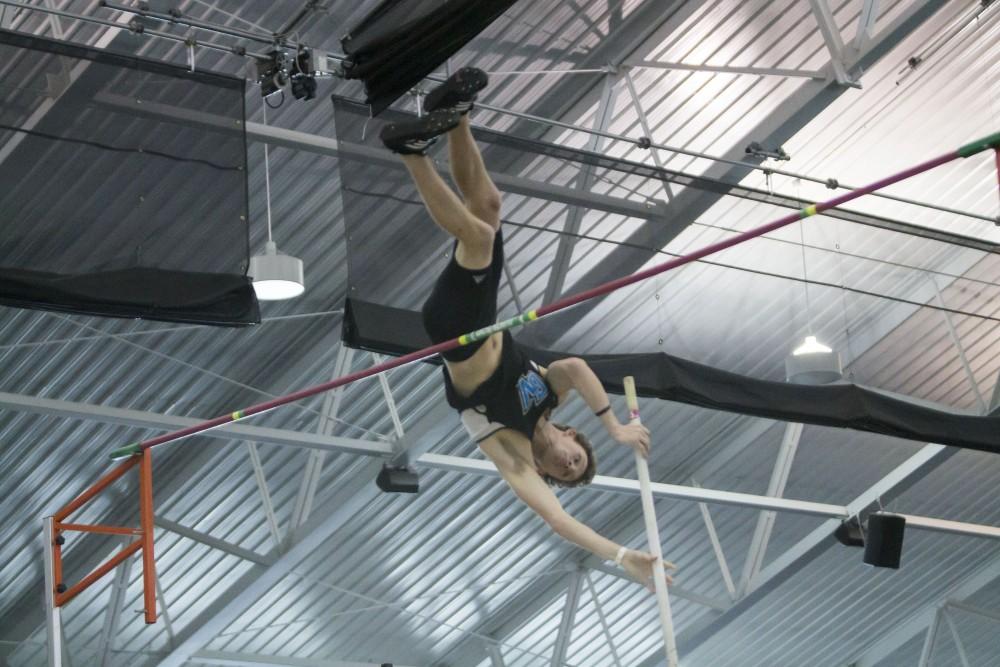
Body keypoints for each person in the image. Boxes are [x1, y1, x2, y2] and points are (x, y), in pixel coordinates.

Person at [380, 68, 674, 590]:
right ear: (571, 435)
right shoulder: (547, 398)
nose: (564, 463)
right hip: (482, 315)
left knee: (478, 238)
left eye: (563, 472)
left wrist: (624, 556)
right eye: (575, 457)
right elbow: (574, 367)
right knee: (489, 210)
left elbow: (558, 520)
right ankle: (456, 115)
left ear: (547, 474)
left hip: (456, 330)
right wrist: (613, 426)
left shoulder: (511, 452)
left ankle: (410, 151)